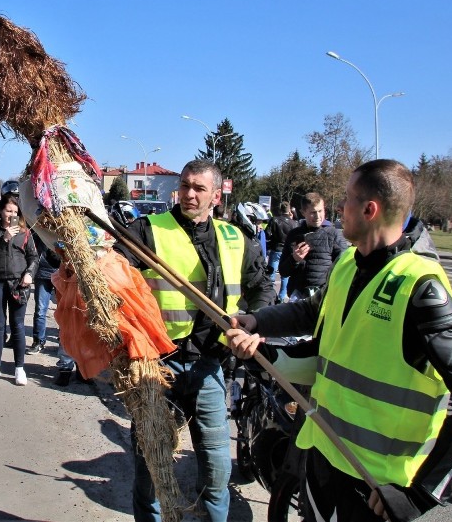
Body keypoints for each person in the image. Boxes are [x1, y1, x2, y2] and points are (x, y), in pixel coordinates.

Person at [227, 159, 452, 522]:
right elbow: (315, 323)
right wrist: (256, 329)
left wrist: (423, 494)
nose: (339, 209)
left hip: (377, 484)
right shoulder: (347, 264)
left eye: (345, 199)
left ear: (370, 209)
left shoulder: (419, 286)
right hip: (323, 456)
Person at [118, 159, 275, 522]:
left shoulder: (236, 238)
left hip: (210, 365)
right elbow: (113, 270)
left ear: (216, 196)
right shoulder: (148, 230)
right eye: (185, 185)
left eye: (198, 188)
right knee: (150, 464)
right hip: (158, 365)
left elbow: (261, 287)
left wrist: (254, 324)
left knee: (217, 467)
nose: (189, 193)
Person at [0, 193, 38, 385]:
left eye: (15, 211)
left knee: (18, 326)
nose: (11, 214)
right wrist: (3, 239)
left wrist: (29, 273)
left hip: (17, 283)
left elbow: (33, 257)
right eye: (8, 210)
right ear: (0, 211)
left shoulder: (24, 232)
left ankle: (19, 368)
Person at [278, 192, 349, 300]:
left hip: (324, 297)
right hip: (298, 297)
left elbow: (345, 268)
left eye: (320, 211)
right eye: (313, 212)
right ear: (303, 212)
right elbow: (283, 271)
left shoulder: (334, 234)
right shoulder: (293, 235)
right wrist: (294, 259)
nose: (317, 216)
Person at [27, 232, 60, 355]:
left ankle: (63, 341)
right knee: (40, 309)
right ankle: (38, 341)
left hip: (60, 273)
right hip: (42, 273)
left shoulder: (64, 229)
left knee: (64, 310)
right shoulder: (38, 230)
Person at [265, 201, 298, 302]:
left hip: (276, 248)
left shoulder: (274, 220)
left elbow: (267, 233)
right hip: (287, 251)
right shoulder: (294, 223)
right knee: (285, 275)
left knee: (271, 273)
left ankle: (269, 295)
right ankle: (282, 297)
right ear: (289, 210)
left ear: (280, 209)